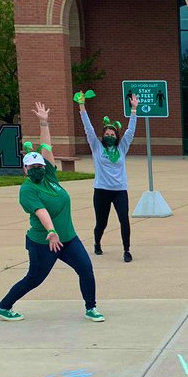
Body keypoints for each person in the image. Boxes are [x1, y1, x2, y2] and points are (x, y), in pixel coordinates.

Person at [0, 101, 104, 323]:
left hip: (68, 238)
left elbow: (46, 148)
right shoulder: (27, 189)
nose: (37, 170)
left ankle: (91, 307)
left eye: (40, 166)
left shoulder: (50, 177)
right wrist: (51, 231)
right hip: (43, 242)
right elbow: (41, 211)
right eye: (32, 168)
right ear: (25, 169)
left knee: (85, 268)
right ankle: (3, 306)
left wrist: (44, 123)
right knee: (34, 278)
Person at [77, 90, 138, 262]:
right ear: (102, 136)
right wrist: (82, 105)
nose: (110, 136)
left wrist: (134, 110)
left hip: (119, 190)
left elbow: (130, 132)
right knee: (101, 223)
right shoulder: (97, 147)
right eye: (107, 134)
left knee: (124, 221)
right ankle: (97, 243)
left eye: (112, 135)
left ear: (116, 137)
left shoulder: (121, 148)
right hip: (101, 190)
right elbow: (88, 128)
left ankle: (126, 250)